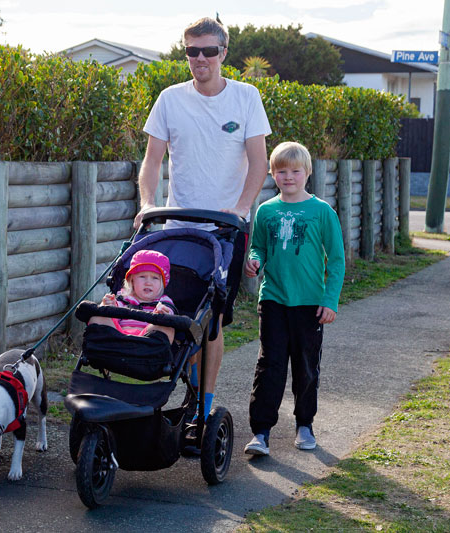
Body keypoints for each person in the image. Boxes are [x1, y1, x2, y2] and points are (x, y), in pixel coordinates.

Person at [133, 16, 271, 421]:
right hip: (178, 228)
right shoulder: (170, 99)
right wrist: (146, 201)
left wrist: (242, 209)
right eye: (192, 51)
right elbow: (152, 161)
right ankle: (180, 394)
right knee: (173, 312)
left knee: (211, 324)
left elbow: (259, 162)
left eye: (209, 51)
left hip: (225, 230)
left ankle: (204, 407)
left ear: (223, 53)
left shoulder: (246, 97)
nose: (200, 59)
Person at [243, 141, 345, 456]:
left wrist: (330, 300)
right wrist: (254, 260)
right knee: (269, 365)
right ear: (273, 174)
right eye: (282, 171)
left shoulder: (322, 212)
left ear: (308, 173)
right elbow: (258, 245)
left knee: (306, 365)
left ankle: (304, 424)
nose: (289, 177)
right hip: (273, 300)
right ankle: (260, 432)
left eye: (295, 171)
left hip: (310, 305)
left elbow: (337, 260)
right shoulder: (266, 210)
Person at [88, 249, 176, 343]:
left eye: (155, 278)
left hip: (147, 342)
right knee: (97, 317)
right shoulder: (123, 299)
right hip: (118, 339)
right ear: (132, 280)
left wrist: (162, 314)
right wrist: (107, 305)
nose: (148, 283)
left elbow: (169, 314)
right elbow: (110, 318)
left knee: (166, 326)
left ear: (162, 283)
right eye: (142, 276)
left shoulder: (164, 302)